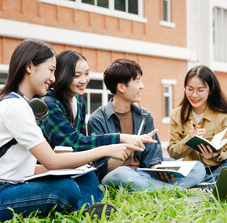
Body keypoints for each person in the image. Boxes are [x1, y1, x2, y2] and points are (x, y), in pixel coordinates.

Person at [0, 39, 144, 222]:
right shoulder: (16, 107)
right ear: (30, 67)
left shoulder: (24, 104)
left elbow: (25, 167)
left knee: (82, 175)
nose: (53, 78)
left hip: (9, 186)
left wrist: (73, 168)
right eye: (51, 70)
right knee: (65, 189)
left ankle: (88, 209)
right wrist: (108, 149)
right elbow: (52, 161)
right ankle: (82, 209)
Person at [88, 58, 206, 191]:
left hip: (143, 173)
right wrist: (129, 146)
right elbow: (103, 169)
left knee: (197, 167)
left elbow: (153, 158)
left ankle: (157, 188)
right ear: (121, 87)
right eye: (137, 81)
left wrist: (159, 170)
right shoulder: (98, 120)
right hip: (119, 175)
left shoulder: (144, 115)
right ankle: (177, 190)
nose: (142, 86)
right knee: (121, 175)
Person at [38, 50, 156, 152]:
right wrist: (121, 138)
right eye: (77, 75)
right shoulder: (49, 104)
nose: (84, 80)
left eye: (87, 74)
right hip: (51, 170)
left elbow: (82, 140)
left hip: (75, 166)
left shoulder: (78, 100)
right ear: (62, 75)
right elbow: (74, 143)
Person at [167, 65, 227, 183]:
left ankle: (204, 184)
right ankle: (213, 183)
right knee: (171, 164)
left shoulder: (222, 115)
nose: (194, 95)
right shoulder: (176, 114)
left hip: (217, 167)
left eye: (201, 90)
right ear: (185, 89)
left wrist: (216, 156)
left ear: (210, 90)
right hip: (193, 169)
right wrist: (189, 139)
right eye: (190, 89)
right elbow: (173, 153)